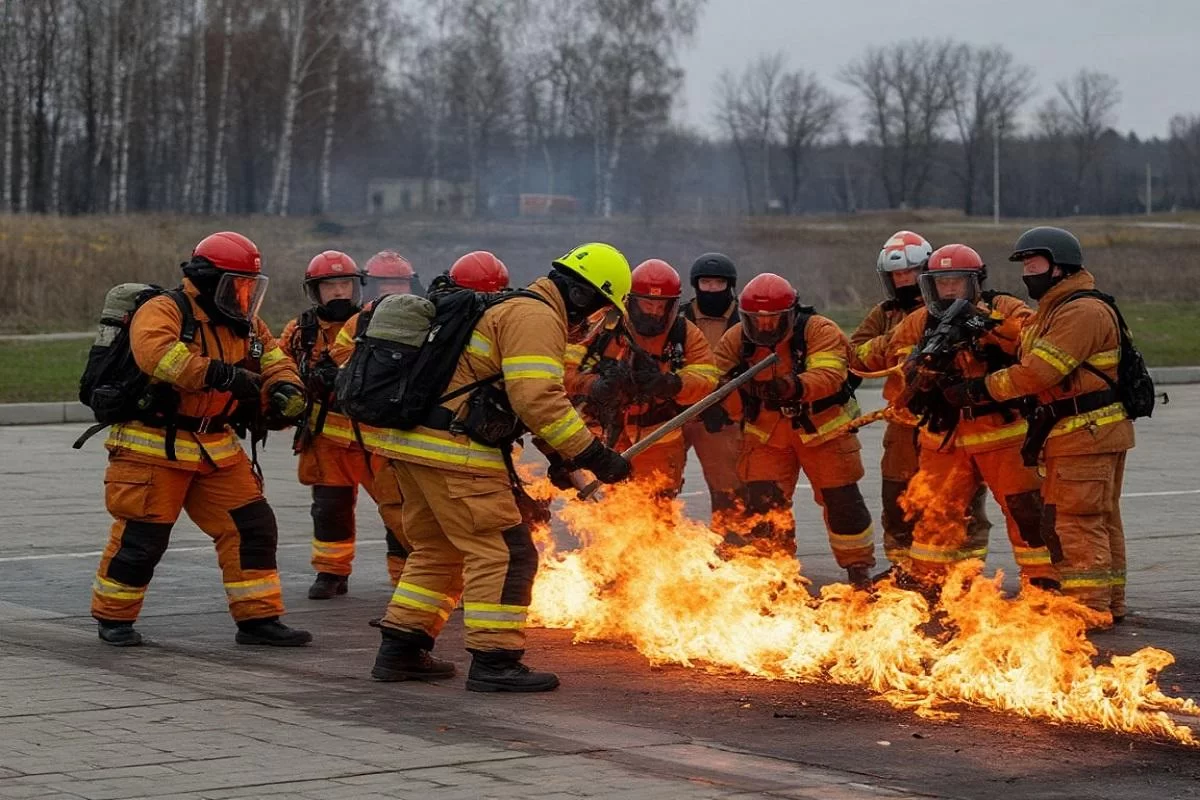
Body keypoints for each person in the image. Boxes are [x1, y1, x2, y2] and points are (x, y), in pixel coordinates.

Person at [366, 242, 634, 692]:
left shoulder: (512, 308)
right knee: (507, 553)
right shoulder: (537, 318)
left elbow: (514, 399)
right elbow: (538, 399)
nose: (591, 324)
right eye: (599, 312)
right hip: (456, 453)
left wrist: (561, 459)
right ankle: (496, 661)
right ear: (586, 296)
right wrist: (591, 453)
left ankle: (401, 650)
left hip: (415, 444)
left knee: (439, 551)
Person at [90, 231, 312, 647]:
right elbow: (158, 356)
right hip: (153, 445)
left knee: (252, 527)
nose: (244, 294)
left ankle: (258, 619)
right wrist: (222, 375)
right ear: (209, 279)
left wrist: (286, 390)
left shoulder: (245, 323)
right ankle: (113, 617)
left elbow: (275, 359)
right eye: (237, 284)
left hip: (216, 448)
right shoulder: (165, 310)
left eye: (250, 285)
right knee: (142, 538)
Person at [953, 227, 1133, 621]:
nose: (1026, 273)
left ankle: (1087, 609)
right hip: (1079, 433)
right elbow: (1023, 344)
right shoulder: (1056, 309)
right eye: (1024, 264)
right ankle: (1109, 604)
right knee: (1096, 519)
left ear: (1058, 266)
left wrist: (980, 389)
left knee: (1076, 522)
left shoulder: (1081, 312)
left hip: (1085, 432)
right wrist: (985, 325)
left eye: (1033, 263)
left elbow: (1038, 372)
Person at [884, 244, 1056, 591]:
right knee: (935, 512)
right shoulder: (920, 320)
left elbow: (1031, 337)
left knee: (1025, 509)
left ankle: (1044, 581)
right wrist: (921, 373)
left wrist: (987, 327)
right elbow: (899, 370)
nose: (948, 290)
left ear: (975, 282)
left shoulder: (1002, 307)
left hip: (1001, 433)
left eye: (956, 282)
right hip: (944, 436)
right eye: (941, 283)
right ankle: (929, 580)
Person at [713, 273, 876, 587]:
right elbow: (714, 375)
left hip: (823, 432)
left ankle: (858, 569)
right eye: (756, 320)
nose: (764, 327)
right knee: (763, 508)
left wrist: (793, 386)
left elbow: (830, 374)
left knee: (844, 505)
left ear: (790, 313)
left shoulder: (819, 330)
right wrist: (715, 401)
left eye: (773, 319)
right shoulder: (736, 338)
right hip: (767, 436)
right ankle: (773, 574)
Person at [849, 231, 991, 576]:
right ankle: (903, 570)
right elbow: (856, 354)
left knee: (960, 501)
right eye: (896, 275)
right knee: (898, 497)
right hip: (904, 420)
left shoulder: (964, 310)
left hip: (949, 420)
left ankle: (965, 571)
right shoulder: (884, 314)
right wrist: (898, 343)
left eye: (909, 273)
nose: (903, 281)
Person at [280, 250, 408, 600]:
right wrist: (300, 384)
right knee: (330, 509)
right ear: (314, 291)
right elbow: (280, 369)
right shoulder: (300, 330)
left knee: (399, 509)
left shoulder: (376, 321)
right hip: (326, 440)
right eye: (329, 286)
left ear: (357, 287)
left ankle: (407, 577)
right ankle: (331, 573)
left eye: (344, 284)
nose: (338, 293)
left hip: (377, 437)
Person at [564, 259, 720, 498]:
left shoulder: (684, 332)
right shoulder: (600, 324)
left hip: (659, 436)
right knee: (607, 513)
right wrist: (595, 384)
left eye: (662, 307)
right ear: (632, 300)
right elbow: (562, 372)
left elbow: (707, 378)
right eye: (648, 304)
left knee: (658, 513)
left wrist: (670, 383)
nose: (655, 312)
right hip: (603, 433)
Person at [677, 253, 745, 522]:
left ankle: (731, 544)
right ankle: (656, 540)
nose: (712, 289)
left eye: (718, 283)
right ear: (696, 285)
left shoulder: (745, 321)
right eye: (706, 283)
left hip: (723, 416)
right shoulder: (677, 319)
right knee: (659, 480)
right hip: (678, 411)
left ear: (730, 285)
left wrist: (725, 405)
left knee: (728, 484)